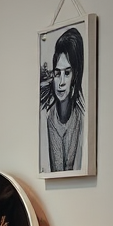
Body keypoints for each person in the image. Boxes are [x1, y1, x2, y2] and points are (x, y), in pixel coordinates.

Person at [40, 26, 85, 172]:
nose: (61, 83)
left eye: (67, 73)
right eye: (58, 74)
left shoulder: (80, 119)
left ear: (75, 76)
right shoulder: (46, 118)